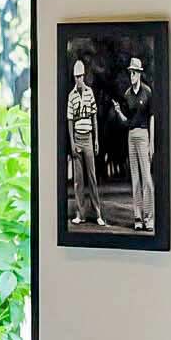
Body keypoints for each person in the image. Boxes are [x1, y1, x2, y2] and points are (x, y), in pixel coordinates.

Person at [113, 50, 158, 235]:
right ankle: (138, 218)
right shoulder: (127, 94)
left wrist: (151, 142)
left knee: (147, 178)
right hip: (131, 136)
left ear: (139, 73)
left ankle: (149, 218)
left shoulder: (147, 92)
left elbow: (152, 117)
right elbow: (127, 121)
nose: (131, 75)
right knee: (136, 179)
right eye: (130, 72)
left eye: (134, 72)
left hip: (144, 134)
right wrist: (118, 112)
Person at [66, 53, 101, 230]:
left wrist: (96, 140)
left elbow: (94, 117)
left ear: (84, 76)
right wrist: (72, 143)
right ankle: (80, 214)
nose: (79, 79)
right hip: (77, 138)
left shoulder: (89, 92)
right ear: (74, 77)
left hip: (88, 137)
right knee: (78, 180)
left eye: (81, 76)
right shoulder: (71, 96)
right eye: (76, 77)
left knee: (92, 177)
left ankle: (98, 213)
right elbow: (70, 121)